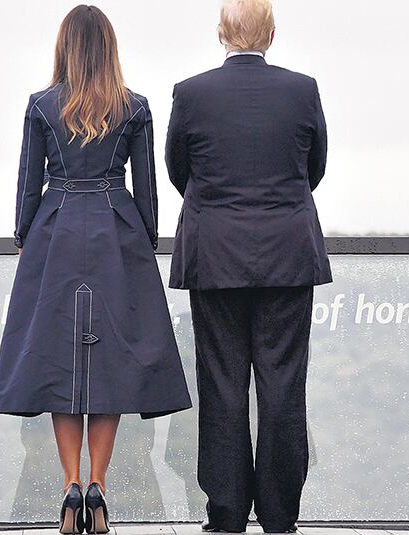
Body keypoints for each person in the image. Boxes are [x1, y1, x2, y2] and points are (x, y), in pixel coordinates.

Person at [0, 5, 192, 534]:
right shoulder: (135, 107)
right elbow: (146, 190)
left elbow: (27, 186)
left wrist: (23, 238)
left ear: (65, 48)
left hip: (55, 233)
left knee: (62, 362)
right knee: (110, 366)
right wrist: (144, 238)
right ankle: (99, 485)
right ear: (108, 48)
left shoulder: (40, 106)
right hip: (115, 231)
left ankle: (69, 486)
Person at [164, 0, 331, 532]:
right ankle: (281, 515)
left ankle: (227, 512)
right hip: (287, 255)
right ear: (272, 35)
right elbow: (314, 168)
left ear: (220, 33)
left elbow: (178, 170)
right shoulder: (302, 90)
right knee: (283, 385)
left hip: (214, 257)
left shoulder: (191, 94)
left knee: (222, 384)